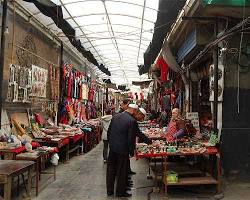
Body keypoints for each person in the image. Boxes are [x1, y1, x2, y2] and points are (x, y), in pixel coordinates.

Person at [106, 104, 151, 197]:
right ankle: (120, 192)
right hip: (123, 149)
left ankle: (109, 190)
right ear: (133, 110)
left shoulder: (115, 116)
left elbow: (109, 132)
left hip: (113, 147)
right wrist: (131, 151)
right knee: (122, 170)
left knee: (111, 169)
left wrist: (111, 144)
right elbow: (131, 138)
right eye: (136, 111)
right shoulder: (131, 121)